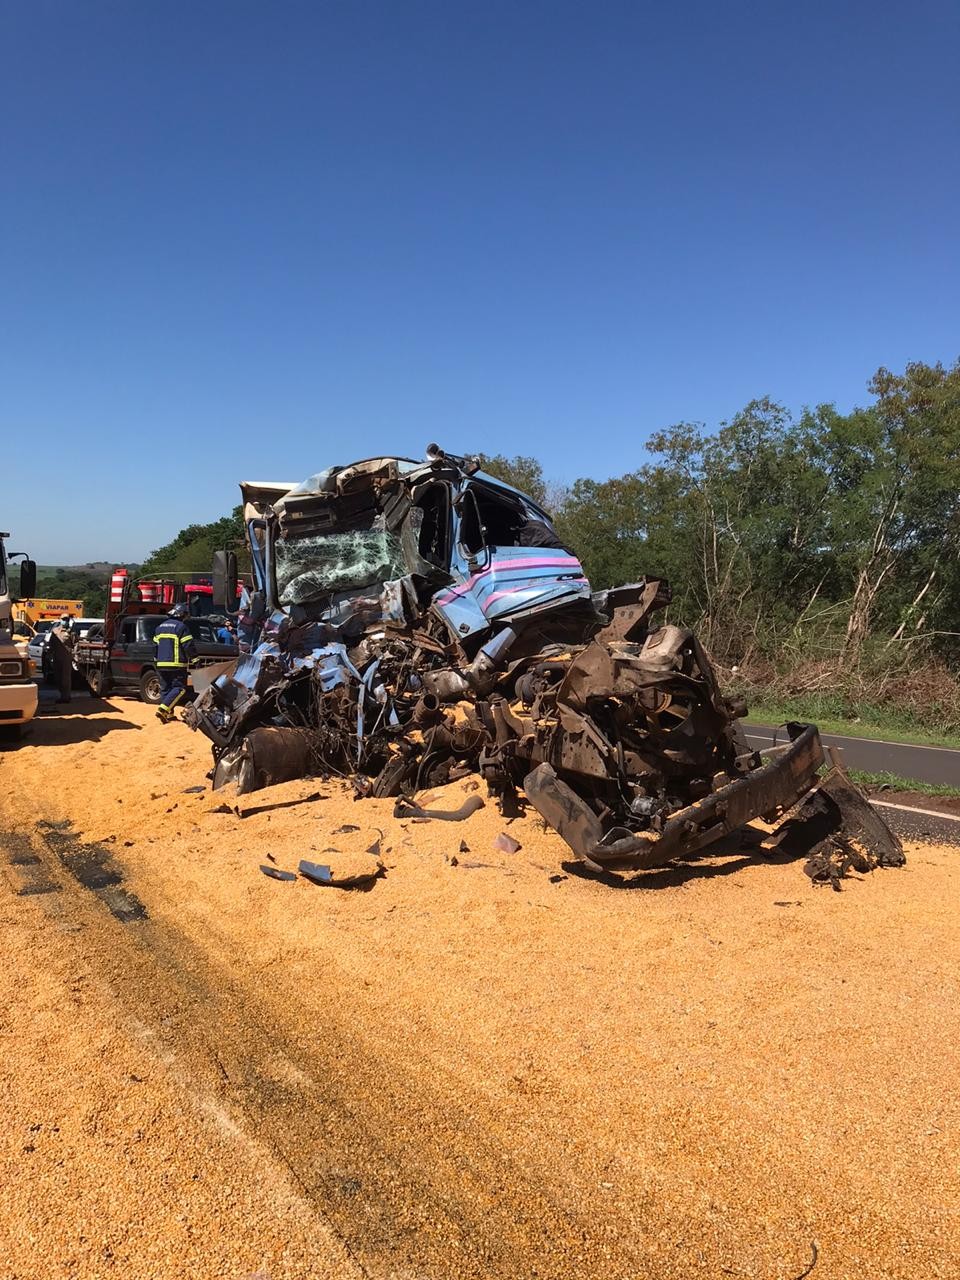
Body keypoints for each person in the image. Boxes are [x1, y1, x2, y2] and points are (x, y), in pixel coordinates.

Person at [153, 603, 196, 724]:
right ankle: (163, 708)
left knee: (166, 688)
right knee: (179, 688)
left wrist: (156, 660)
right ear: (182, 614)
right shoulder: (181, 627)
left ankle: (169, 714)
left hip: (160, 664)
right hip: (176, 664)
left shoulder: (159, 627)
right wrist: (195, 659)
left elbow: (155, 647)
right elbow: (188, 645)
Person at [48, 613, 75, 705]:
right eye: (63, 619)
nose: (65, 621)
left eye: (67, 619)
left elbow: (76, 645)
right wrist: (50, 655)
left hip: (66, 658)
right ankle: (62, 694)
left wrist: (75, 656)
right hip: (56, 657)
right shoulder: (55, 631)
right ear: (60, 619)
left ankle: (66, 697)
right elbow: (51, 644)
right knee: (58, 677)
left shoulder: (71, 632)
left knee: (65, 678)